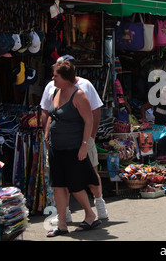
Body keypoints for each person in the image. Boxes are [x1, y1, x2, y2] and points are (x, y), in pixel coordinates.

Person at [40, 55, 108, 224]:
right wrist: (46, 135)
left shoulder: (82, 90)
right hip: (57, 146)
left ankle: (97, 206)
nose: (52, 77)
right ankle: (63, 220)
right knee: (59, 185)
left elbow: (92, 116)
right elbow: (48, 114)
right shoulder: (53, 89)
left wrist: (88, 141)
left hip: (77, 144)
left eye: (56, 74)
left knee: (86, 179)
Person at [140, 86, 166, 155]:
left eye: (164, 98)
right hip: (158, 125)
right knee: (160, 146)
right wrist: (144, 118)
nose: (161, 99)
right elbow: (143, 107)